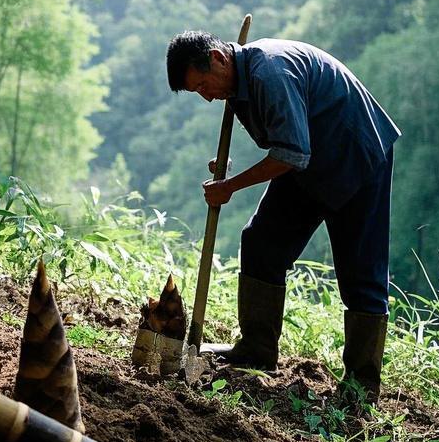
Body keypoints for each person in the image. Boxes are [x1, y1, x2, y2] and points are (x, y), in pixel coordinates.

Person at [166, 31, 400, 401]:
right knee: (262, 242)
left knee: (361, 274)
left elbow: (291, 153)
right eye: (197, 92)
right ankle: (257, 350)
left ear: (218, 58)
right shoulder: (237, 83)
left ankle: (362, 385)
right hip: (309, 162)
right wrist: (227, 169)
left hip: (357, 155)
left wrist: (231, 186)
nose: (207, 96)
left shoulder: (269, 72)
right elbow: (284, 135)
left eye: (203, 85)